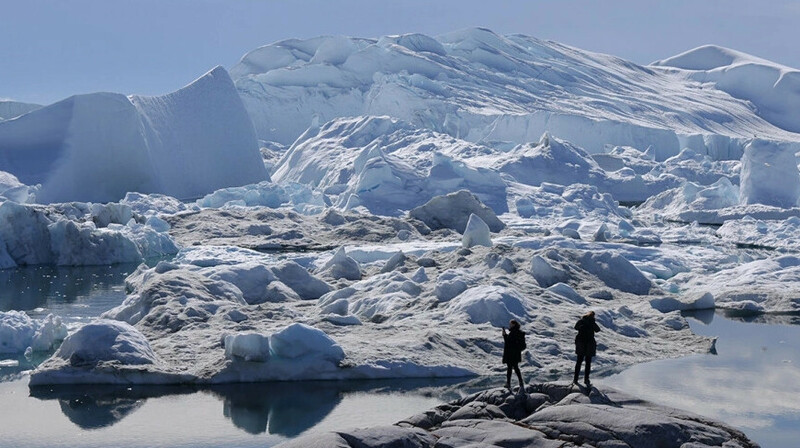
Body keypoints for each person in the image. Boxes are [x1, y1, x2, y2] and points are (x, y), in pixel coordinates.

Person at [573, 310, 601, 387]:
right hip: (589, 343)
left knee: (579, 361)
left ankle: (575, 379)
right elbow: (598, 330)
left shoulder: (581, 321)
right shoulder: (592, 322)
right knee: (588, 363)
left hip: (581, 342)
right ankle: (586, 379)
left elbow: (576, 327)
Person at [502, 319, 526, 390]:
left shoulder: (513, 332)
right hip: (516, 354)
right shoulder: (517, 332)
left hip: (511, 353)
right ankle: (520, 382)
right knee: (515, 367)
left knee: (510, 368)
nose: (509, 325)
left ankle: (508, 383)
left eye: (510, 324)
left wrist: (505, 336)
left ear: (514, 324)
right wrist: (505, 335)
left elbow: (509, 342)